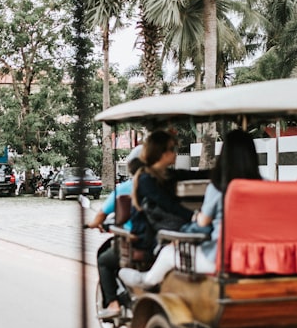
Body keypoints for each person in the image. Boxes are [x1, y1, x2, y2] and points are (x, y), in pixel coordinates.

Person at [119, 129, 262, 289]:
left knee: (169, 252)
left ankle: (148, 280)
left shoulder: (219, 188)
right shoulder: (264, 186)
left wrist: (193, 220)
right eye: (172, 149)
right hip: (258, 257)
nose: (176, 153)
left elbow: (201, 221)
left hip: (221, 257)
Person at [87, 145, 144, 313]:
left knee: (104, 260)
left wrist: (93, 223)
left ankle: (112, 303)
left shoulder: (126, 188)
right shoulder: (164, 185)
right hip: (161, 241)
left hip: (134, 242)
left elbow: (101, 214)